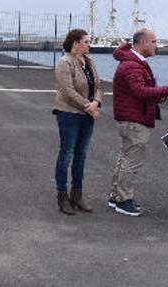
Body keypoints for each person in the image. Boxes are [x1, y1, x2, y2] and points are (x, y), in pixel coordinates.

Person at [108, 29, 168, 217]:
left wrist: (157, 96)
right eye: (154, 41)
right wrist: (165, 91)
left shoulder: (132, 62)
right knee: (131, 161)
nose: (156, 45)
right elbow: (140, 91)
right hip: (134, 120)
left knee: (125, 158)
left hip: (131, 117)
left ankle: (116, 196)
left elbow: (139, 92)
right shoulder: (133, 65)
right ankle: (123, 199)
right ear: (143, 42)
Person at [53, 29, 103, 215]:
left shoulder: (89, 62)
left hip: (87, 114)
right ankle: (62, 196)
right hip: (69, 114)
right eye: (86, 42)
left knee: (81, 155)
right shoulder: (64, 63)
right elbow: (66, 90)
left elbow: (98, 86)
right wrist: (87, 106)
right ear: (75, 43)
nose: (89, 45)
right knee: (67, 154)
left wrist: (96, 102)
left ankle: (77, 194)